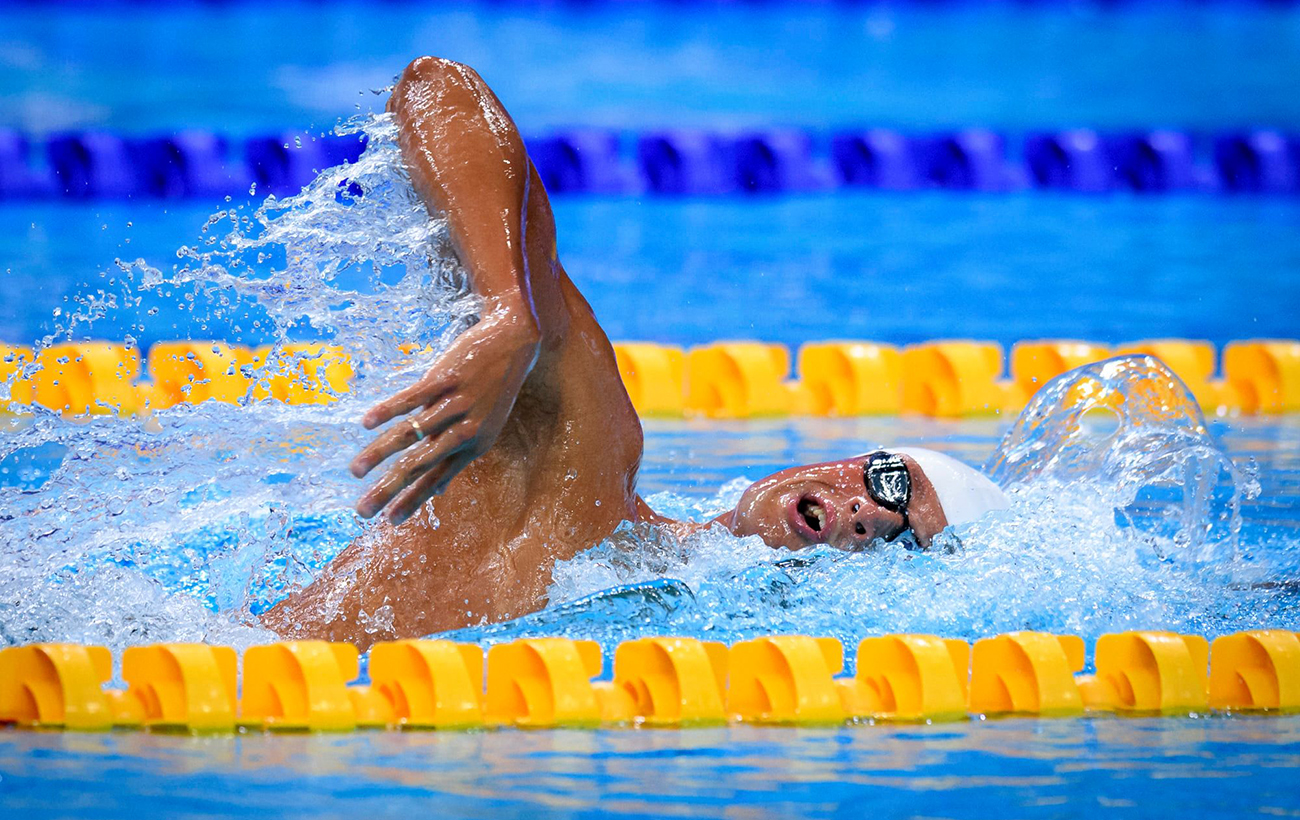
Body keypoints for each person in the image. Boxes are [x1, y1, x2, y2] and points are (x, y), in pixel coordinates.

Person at [261, 57, 1007, 648]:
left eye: (902, 542)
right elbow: (439, 88)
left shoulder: (684, 649)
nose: (869, 514)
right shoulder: (582, 460)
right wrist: (509, 313)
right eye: (888, 480)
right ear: (835, 461)